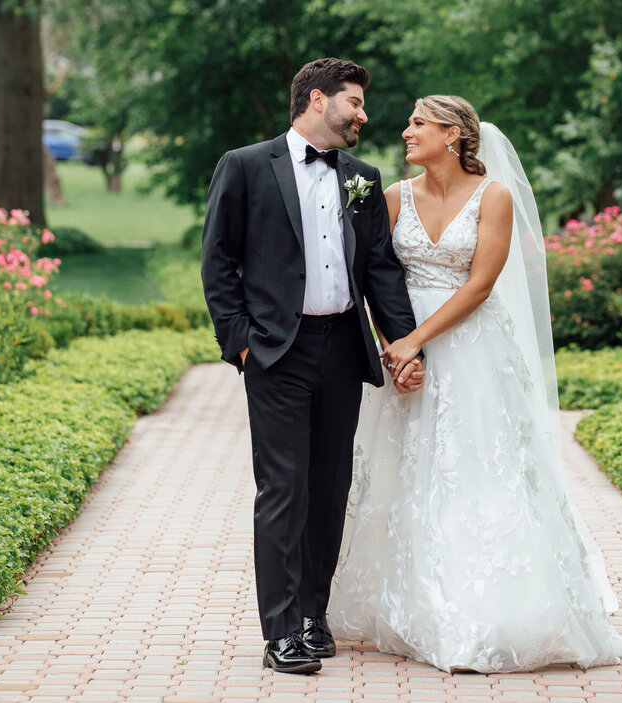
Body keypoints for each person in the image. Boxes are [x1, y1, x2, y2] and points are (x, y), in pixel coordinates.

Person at [327, 95, 622, 672]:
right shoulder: (395, 197)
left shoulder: (492, 197)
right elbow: (376, 277)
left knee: (478, 468)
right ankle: (420, 606)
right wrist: (395, 347)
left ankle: (495, 612)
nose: (405, 132)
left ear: (452, 135)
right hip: (405, 344)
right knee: (409, 471)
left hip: (471, 347)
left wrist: (417, 339)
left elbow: (478, 286)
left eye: (417, 123)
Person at [201, 57, 425, 675]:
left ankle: (311, 615)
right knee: (283, 489)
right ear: (318, 100)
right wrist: (241, 342)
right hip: (276, 351)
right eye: (354, 102)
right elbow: (218, 263)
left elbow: (380, 269)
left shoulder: (362, 176)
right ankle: (280, 634)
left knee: (329, 489)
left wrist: (405, 344)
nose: (364, 114)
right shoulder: (245, 166)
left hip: (342, 349)